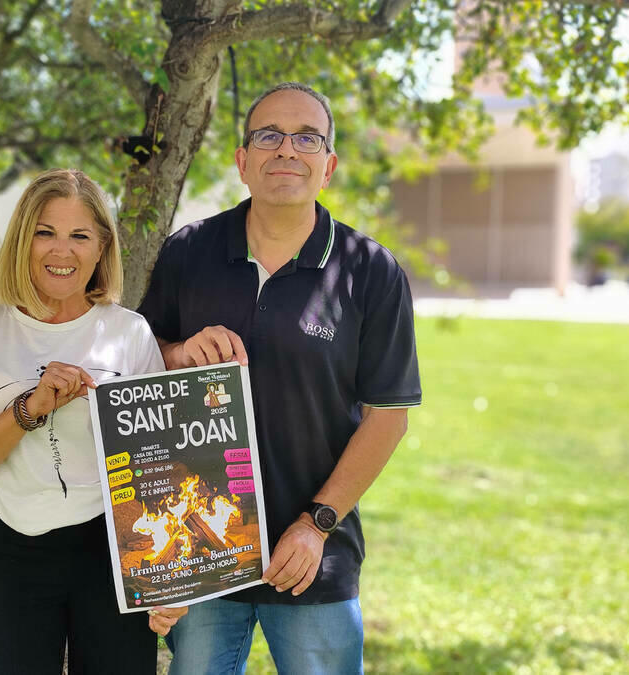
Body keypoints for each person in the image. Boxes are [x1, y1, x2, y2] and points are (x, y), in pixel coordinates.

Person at [137, 83, 422, 674]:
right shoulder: (188, 251)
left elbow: (388, 415)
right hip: (201, 545)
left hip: (312, 552)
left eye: (307, 138)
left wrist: (316, 524)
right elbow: (138, 363)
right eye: (268, 135)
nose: (286, 150)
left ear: (329, 165)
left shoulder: (370, 272)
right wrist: (179, 350)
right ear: (243, 161)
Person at [0, 169, 184, 674]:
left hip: (114, 551)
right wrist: (29, 408)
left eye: (79, 236)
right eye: (45, 233)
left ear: (101, 248)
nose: (61, 252)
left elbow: (162, 474)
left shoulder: (130, 334)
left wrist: (170, 580)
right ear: (23, 240)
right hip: (17, 551)